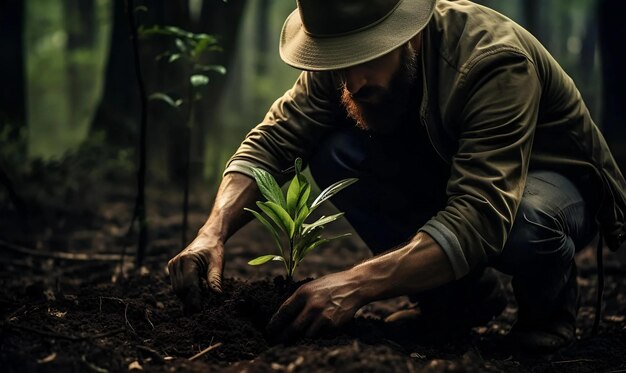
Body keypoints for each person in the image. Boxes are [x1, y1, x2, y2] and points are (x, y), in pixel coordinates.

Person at [168, 0, 626, 353]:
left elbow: (482, 212)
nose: (352, 81)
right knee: (335, 154)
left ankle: (546, 320)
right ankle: (456, 303)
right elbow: (273, 142)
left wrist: (357, 284)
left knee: (523, 224)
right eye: (337, 61)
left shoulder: (491, 62)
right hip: (453, 171)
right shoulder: (339, 67)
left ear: (407, 35)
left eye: (365, 58)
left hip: (553, 182)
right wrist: (212, 233)